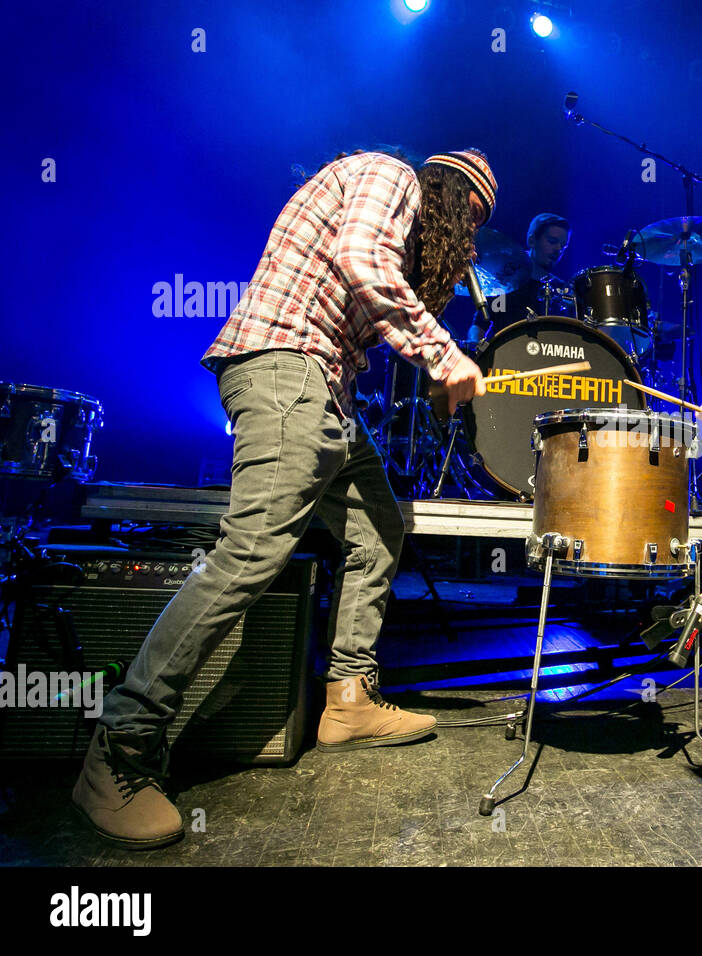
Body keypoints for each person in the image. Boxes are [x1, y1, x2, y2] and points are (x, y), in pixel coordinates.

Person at [72, 148, 497, 849]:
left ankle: (350, 699)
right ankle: (121, 745)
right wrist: (446, 356)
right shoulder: (392, 176)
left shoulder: (397, 212)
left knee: (378, 528)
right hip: (286, 370)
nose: (472, 240)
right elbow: (363, 261)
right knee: (250, 554)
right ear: (449, 193)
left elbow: (359, 298)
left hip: (322, 386)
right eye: (473, 218)